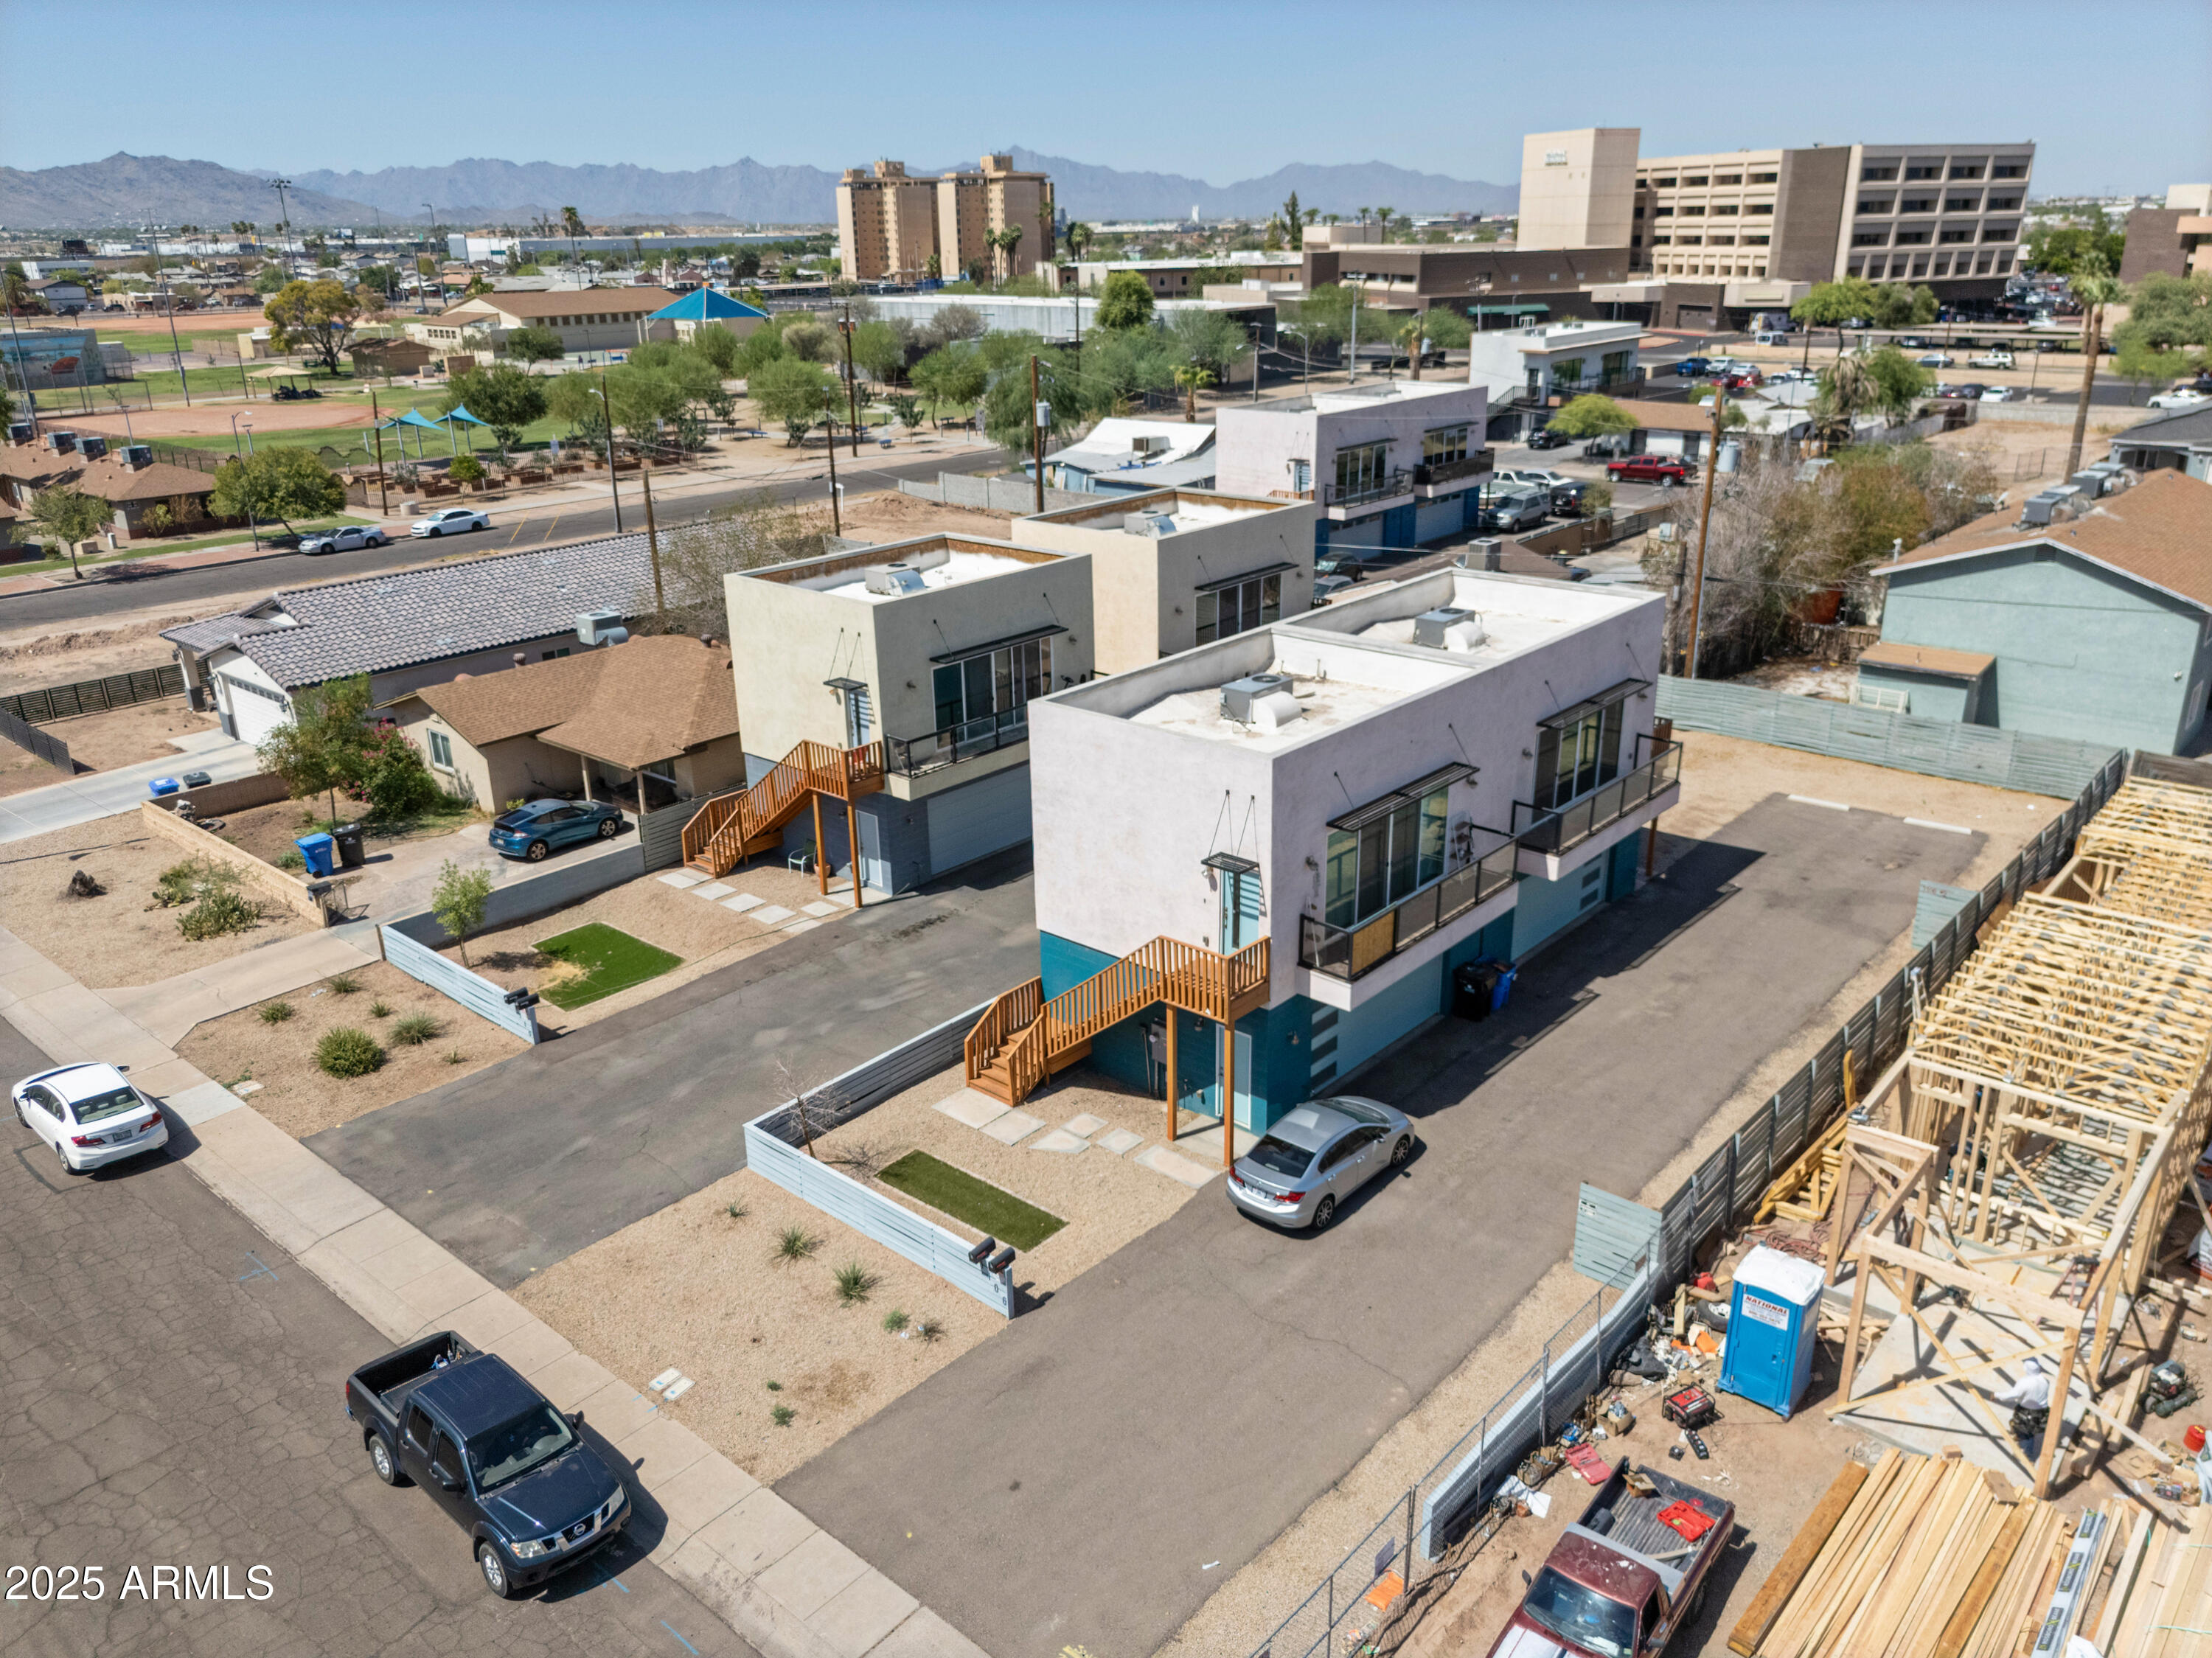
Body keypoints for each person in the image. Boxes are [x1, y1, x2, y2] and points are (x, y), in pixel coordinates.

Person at [1994, 1358, 2052, 1453]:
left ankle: (2028, 1456)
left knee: (2027, 1434)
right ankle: (2019, 1436)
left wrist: (1996, 1395)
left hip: (2027, 1411)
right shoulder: (2045, 1381)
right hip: (2040, 1411)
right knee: (2019, 1425)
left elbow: (2012, 1395)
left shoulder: (2025, 1382)